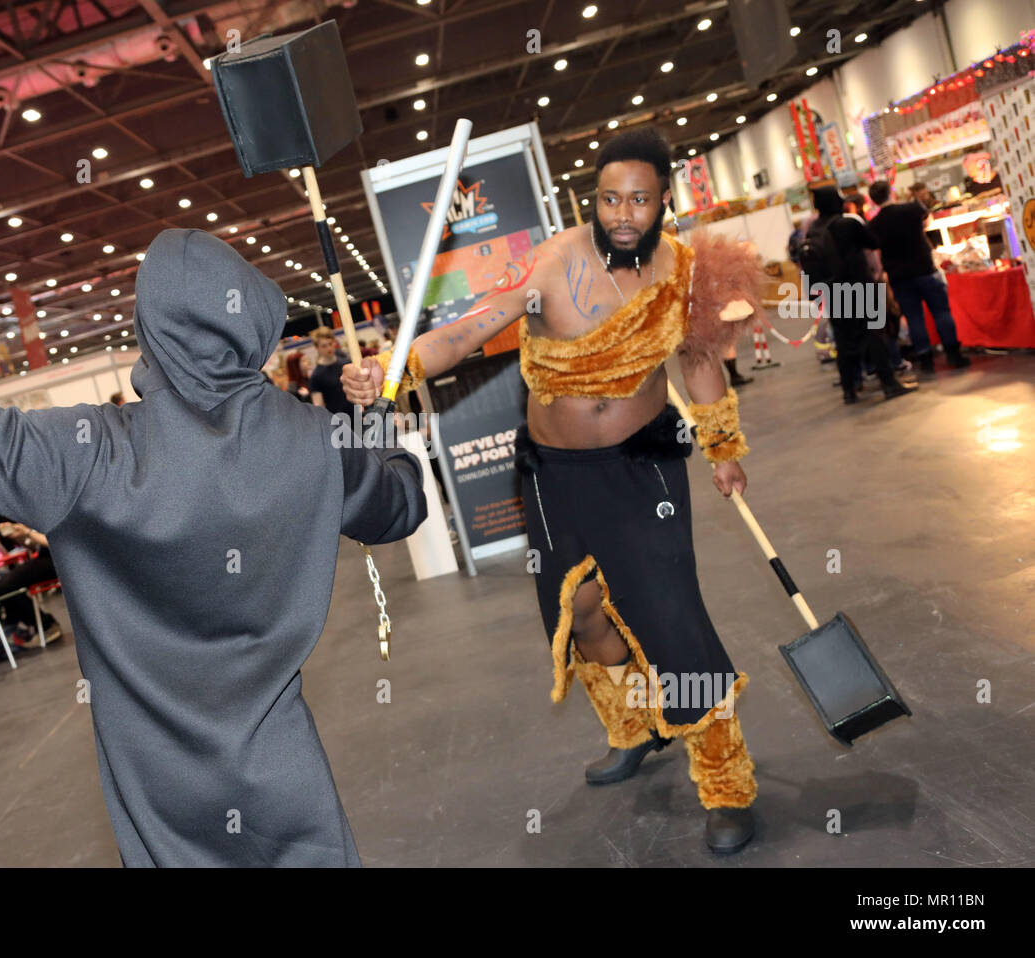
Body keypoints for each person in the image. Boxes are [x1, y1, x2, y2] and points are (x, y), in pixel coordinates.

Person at [0, 105, 426, 867]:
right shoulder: (314, 445)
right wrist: (371, 420)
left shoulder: (82, 455)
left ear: (152, 335)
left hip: (159, 793)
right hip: (283, 770)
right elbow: (402, 504)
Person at [345, 128, 765, 853]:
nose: (624, 214)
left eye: (639, 199)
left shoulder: (684, 272)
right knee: (579, 610)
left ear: (665, 198)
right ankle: (634, 726)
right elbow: (474, 328)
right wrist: (399, 365)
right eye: (609, 199)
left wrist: (723, 447)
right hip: (554, 472)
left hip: (646, 469)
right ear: (591, 200)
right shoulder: (555, 260)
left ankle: (726, 782)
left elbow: (698, 363)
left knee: (671, 623)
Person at [802, 186, 916, 405]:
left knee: (844, 342)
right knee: (875, 336)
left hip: (833, 293)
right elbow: (873, 242)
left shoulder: (813, 229)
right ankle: (889, 384)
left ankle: (849, 390)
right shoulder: (848, 223)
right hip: (860, 287)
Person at [867, 179, 971, 374]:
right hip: (925, 268)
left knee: (914, 318)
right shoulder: (912, 209)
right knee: (941, 312)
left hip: (899, 277)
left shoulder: (875, 224)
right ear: (891, 192)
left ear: (873, 200)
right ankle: (953, 353)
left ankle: (925, 360)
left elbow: (875, 250)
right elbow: (927, 222)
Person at [307, 327, 354, 418]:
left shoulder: (347, 364)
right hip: (338, 421)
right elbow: (319, 405)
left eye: (330, 344)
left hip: (358, 416)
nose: (329, 348)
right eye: (324, 346)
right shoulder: (316, 376)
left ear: (334, 342)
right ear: (317, 348)